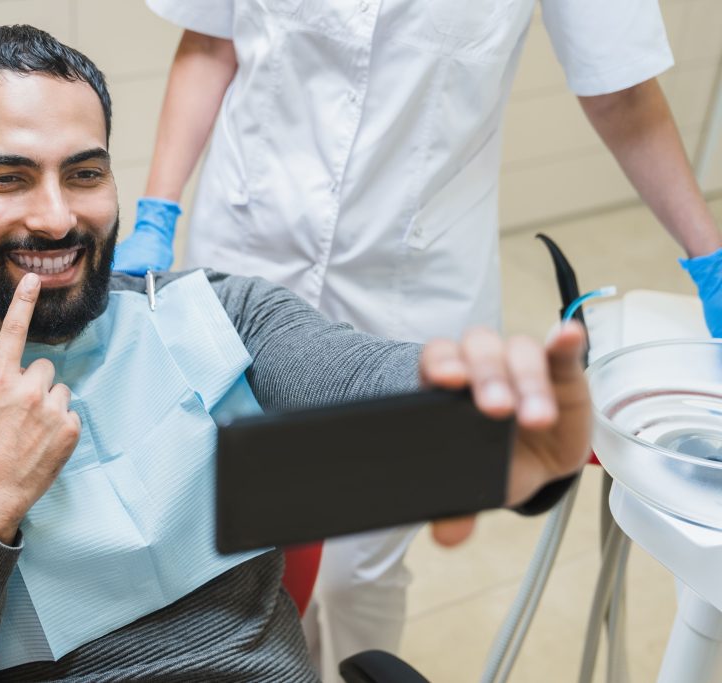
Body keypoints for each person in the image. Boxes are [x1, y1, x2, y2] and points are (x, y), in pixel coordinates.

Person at [0, 25, 592, 682]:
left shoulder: (219, 318)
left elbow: (377, 388)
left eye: (84, 173)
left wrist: (498, 432)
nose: (56, 217)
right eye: (8, 178)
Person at [111, 1, 722, 676]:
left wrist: (711, 256)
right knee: (240, 531)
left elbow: (623, 89)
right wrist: (156, 212)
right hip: (252, 246)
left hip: (411, 287)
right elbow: (210, 44)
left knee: (356, 571)